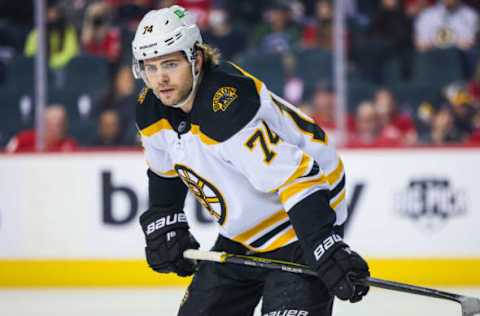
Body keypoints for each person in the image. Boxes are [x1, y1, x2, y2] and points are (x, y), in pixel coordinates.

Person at [132, 5, 370, 316]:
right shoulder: (151, 108)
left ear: (197, 59)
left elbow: (297, 176)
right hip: (241, 235)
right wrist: (166, 218)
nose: (160, 78)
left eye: (170, 63)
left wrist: (322, 243)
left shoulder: (226, 107)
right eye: (150, 67)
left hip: (298, 227)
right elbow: (164, 171)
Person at [5, 105, 77, 153]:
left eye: (60, 124)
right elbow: (7, 157)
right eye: (49, 124)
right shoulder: (24, 139)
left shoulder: (68, 145)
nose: (55, 129)